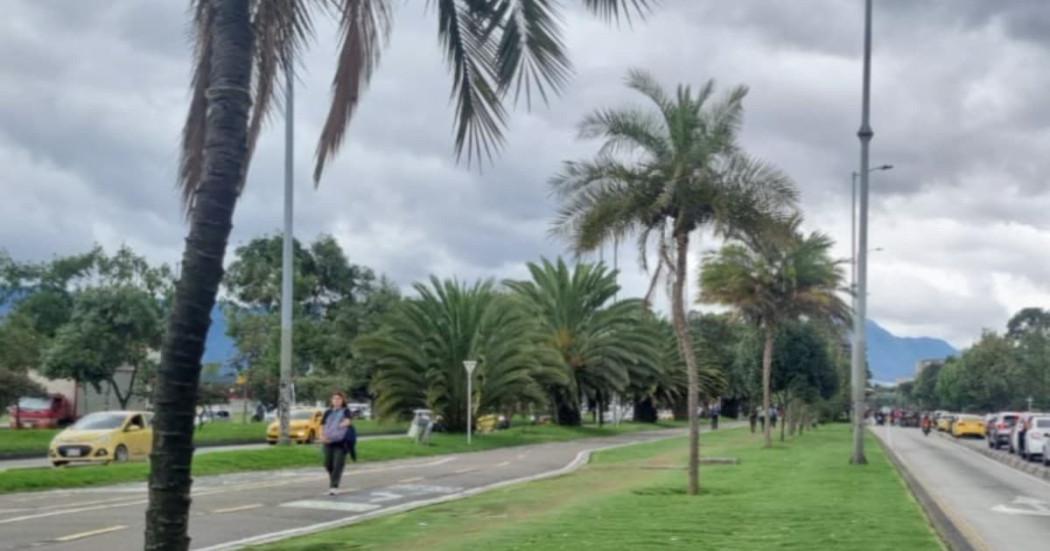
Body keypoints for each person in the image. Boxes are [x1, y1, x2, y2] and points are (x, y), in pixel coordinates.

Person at [320, 391, 356, 495]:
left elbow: (348, 421)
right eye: (334, 399)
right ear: (331, 400)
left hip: (341, 443)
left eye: (339, 399)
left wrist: (341, 425)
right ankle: (334, 480)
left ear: (342, 400)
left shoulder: (346, 411)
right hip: (328, 442)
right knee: (328, 464)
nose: (336, 401)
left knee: (337, 465)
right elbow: (322, 425)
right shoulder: (328, 412)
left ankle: (333, 486)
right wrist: (322, 436)